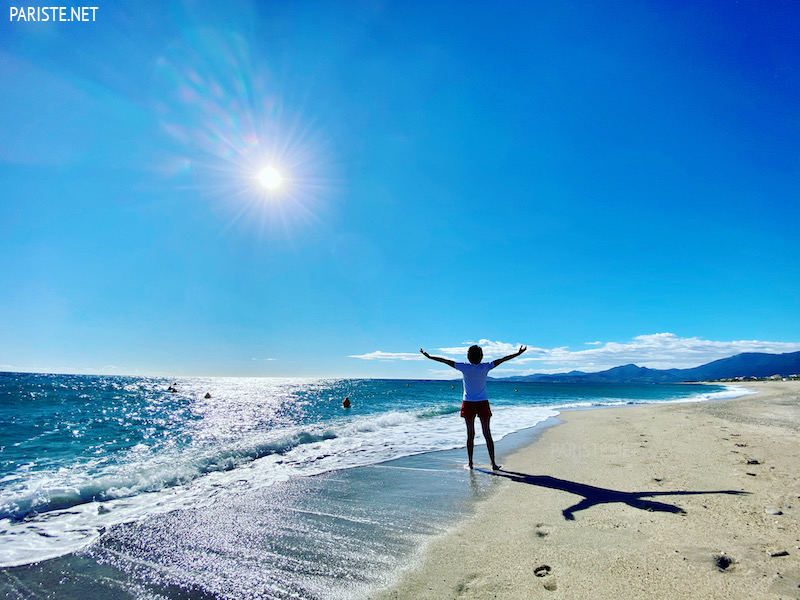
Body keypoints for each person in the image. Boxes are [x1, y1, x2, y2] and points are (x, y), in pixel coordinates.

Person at [420, 344, 527, 470]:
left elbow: (444, 361)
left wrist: (429, 356)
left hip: (468, 403)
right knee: (487, 433)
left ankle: (470, 464)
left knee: (470, 434)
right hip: (482, 403)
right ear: (481, 356)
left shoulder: (464, 367)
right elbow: (503, 359)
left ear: (468, 356)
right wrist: (518, 354)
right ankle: (493, 464)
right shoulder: (486, 366)